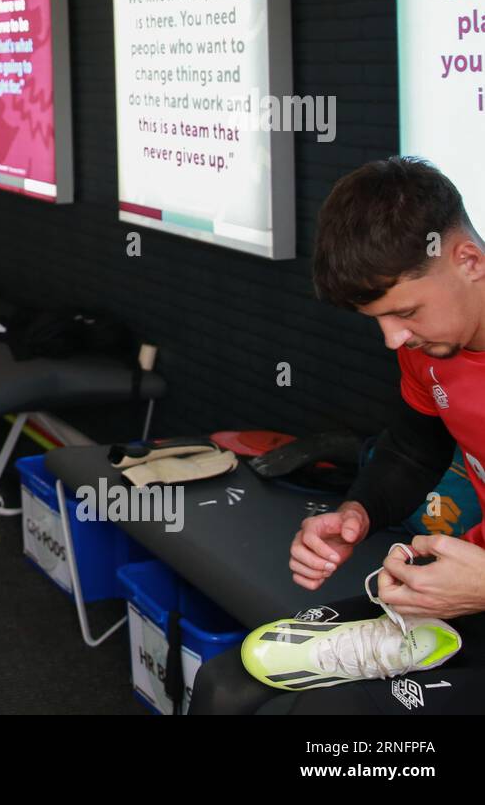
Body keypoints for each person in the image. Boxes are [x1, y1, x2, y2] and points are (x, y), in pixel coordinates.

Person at [191, 157, 485, 714]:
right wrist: (361, 511)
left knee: (332, 725)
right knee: (225, 689)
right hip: (466, 586)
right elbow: (413, 446)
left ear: (467, 260)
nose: (393, 340)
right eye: (377, 320)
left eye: (406, 313)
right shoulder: (433, 348)